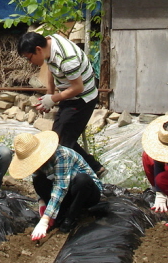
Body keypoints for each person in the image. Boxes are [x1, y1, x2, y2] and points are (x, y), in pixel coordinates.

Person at [16, 31, 106, 178]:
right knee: (55, 138)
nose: (30, 62)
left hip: (83, 98)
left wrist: (53, 99)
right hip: (68, 95)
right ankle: (91, 168)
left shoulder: (67, 59)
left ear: (38, 49)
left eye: (29, 58)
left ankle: (90, 170)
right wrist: (50, 93)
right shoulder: (50, 43)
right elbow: (51, 68)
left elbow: (78, 88)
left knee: (62, 142)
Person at [8, 130, 103, 241]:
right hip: (68, 193)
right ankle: (60, 213)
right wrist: (42, 203)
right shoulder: (36, 164)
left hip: (87, 193)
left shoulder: (61, 155)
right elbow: (39, 183)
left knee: (82, 180)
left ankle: (71, 217)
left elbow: (61, 187)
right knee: (38, 180)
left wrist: (45, 220)